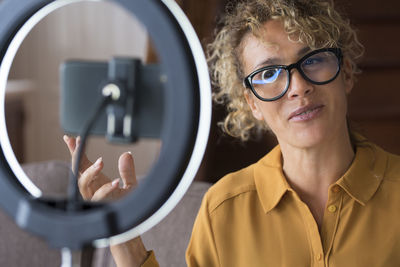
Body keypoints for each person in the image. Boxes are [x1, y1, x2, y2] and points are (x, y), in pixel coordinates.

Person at [64, 0, 400, 266]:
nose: (298, 87)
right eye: (269, 72)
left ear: (347, 74)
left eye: (313, 60)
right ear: (251, 103)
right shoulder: (223, 208)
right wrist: (124, 236)